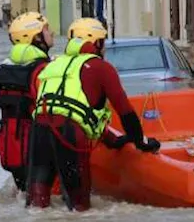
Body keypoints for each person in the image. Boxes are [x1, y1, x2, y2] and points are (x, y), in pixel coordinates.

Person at [27, 17, 161, 211]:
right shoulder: (100, 67)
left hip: (38, 131)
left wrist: (112, 140)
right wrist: (139, 141)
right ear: (96, 42)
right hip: (69, 133)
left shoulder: (54, 65)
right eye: (103, 42)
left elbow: (67, 106)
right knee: (79, 206)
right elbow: (125, 110)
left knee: (36, 204)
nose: (104, 48)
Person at [0, 12, 53, 192]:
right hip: (38, 146)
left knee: (25, 194)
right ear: (36, 37)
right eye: (47, 30)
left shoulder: (9, 68)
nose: (52, 33)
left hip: (12, 144)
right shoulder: (42, 69)